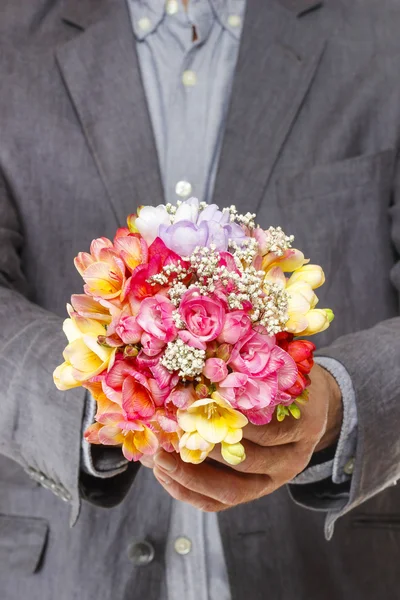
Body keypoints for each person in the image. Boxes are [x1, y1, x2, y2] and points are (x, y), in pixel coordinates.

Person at [1, 0, 400, 598]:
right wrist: (120, 400)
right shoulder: (10, 37)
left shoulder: (381, 32)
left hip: (327, 571)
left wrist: (338, 404)